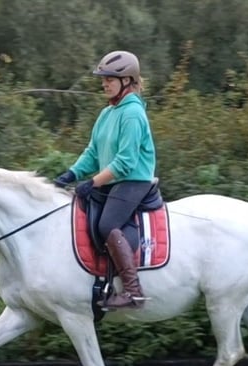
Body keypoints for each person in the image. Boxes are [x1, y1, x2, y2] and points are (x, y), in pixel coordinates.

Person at [54, 50, 156, 310]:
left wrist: (93, 182)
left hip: (135, 181)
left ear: (127, 81)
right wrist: (71, 174)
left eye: (109, 78)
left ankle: (133, 291)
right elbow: (92, 153)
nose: (104, 83)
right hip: (113, 180)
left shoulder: (132, 113)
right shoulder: (107, 114)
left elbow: (125, 162)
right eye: (103, 78)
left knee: (106, 224)